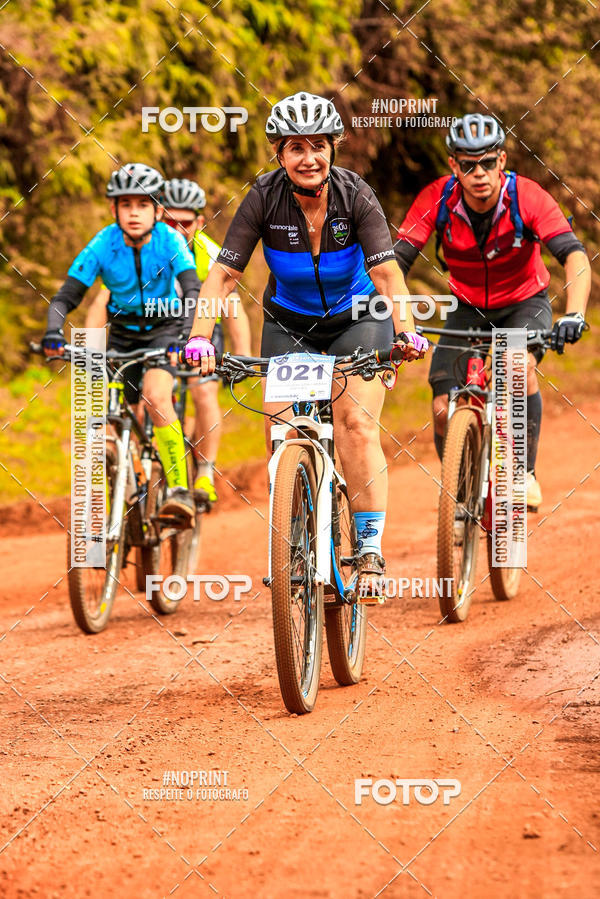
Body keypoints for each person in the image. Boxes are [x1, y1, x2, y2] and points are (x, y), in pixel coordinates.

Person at [184, 91, 428, 602]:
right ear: (279, 153)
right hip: (289, 323)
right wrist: (199, 340)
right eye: (296, 147)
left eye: (318, 145)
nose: (308, 158)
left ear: (333, 148)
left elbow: (386, 274)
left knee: (355, 424)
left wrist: (404, 332)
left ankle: (368, 548)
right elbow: (224, 275)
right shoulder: (263, 198)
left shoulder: (355, 195)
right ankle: (294, 531)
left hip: (358, 319)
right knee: (281, 427)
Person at [395, 113, 590, 511]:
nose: (479, 172)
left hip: (524, 303)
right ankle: (462, 491)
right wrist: (385, 314)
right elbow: (394, 262)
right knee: (442, 408)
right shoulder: (437, 198)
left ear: (502, 160)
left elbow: (574, 255)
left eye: (487, 162)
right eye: (468, 164)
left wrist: (574, 313)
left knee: (516, 366)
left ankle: (524, 474)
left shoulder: (528, 197)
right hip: (467, 307)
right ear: (454, 166)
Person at [42, 162, 201, 525]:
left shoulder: (170, 240)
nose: (133, 212)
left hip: (166, 328)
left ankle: (178, 490)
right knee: (109, 414)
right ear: (113, 208)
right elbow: (66, 296)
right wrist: (54, 332)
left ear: (157, 209)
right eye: (125, 204)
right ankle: (127, 484)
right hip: (124, 333)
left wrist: (185, 337)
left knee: (157, 396)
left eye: (142, 204)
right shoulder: (103, 243)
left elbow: (192, 289)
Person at [160, 178, 251, 503]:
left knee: (203, 389)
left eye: (185, 222)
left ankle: (204, 473)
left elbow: (233, 310)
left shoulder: (210, 253)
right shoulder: (146, 248)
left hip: (202, 330)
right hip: (162, 328)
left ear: (198, 222)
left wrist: (242, 355)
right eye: (169, 220)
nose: (177, 228)